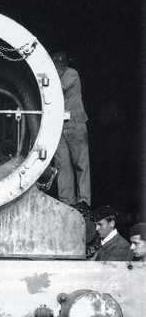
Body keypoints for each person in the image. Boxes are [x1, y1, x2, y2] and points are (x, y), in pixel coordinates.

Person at [52, 51, 91, 208]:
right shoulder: (60, 74)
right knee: (63, 166)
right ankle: (66, 203)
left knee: (80, 164)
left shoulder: (71, 74)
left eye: (55, 65)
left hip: (75, 124)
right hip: (60, 126)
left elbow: (57, 88)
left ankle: (84, 202)